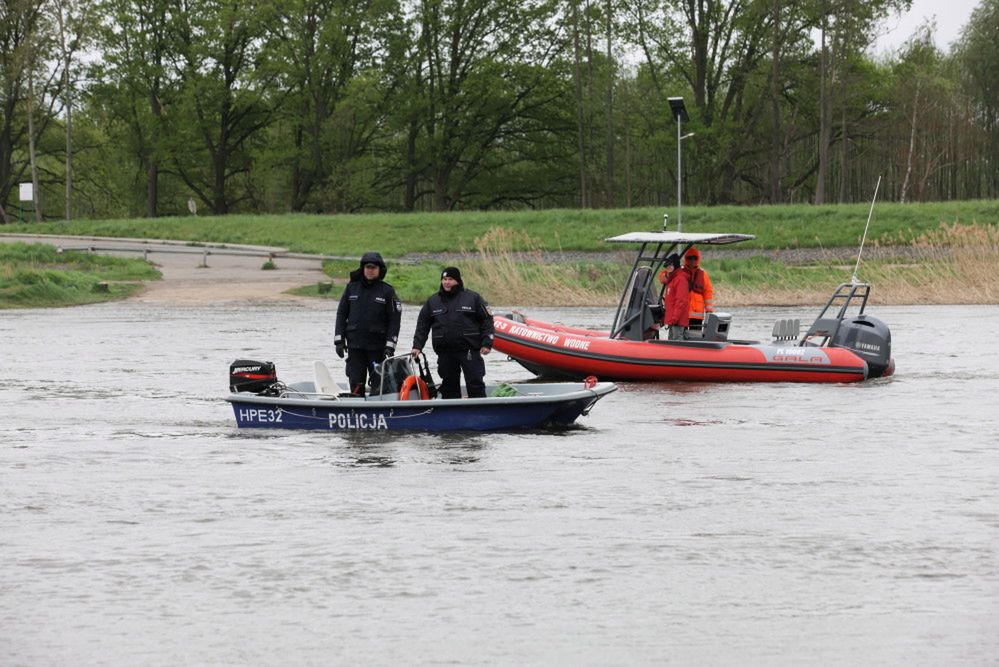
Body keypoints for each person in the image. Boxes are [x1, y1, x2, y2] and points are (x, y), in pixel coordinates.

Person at [410, 266, 494, 399]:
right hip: (445, 352)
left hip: (469, 351)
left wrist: (487, 343)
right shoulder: (433, 301)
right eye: (444, 279)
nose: (446, 282)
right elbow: (422, 326)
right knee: (448, 385)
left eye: (450, 279)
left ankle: (479, 413)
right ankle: (451, 415)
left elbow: (487, 321)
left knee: (475, 383)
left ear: (458, 281)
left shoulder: (473, 298)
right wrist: (417, 346)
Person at [334, 252, 402, 396]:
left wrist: (390, 346)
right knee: (356, 384)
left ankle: (378, 413)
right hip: (355, 347)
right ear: (363, 269)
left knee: (379, 386)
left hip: (377, 349)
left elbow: (395, 321)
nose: (370, 270)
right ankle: (355, 413)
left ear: (380, 270)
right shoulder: (351, 288)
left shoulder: (387, 291)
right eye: (367, 267)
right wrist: (339, 340)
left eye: (373, 267)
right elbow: (341, 315)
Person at [658, 253, 689, 340]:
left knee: (677, 343)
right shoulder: (672, 278)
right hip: (673, 321)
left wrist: (674, 318)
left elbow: (681, 301)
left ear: (675, 265)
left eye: (670, 265)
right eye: (667, 266)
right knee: (671, 343)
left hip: (677, 321)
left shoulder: (680, 279)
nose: (668, 268)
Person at [684, 247, 714, 330]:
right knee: (682, 337)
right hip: (683, 313)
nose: (692, 260)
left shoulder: (703, 274)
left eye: (694, 258)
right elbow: (664, 278)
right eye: (689, 258)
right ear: (686, 259)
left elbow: (708, 293)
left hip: (697, 315)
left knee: (695, 337)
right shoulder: (680, 272)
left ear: (698, 259)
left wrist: (709, 311)